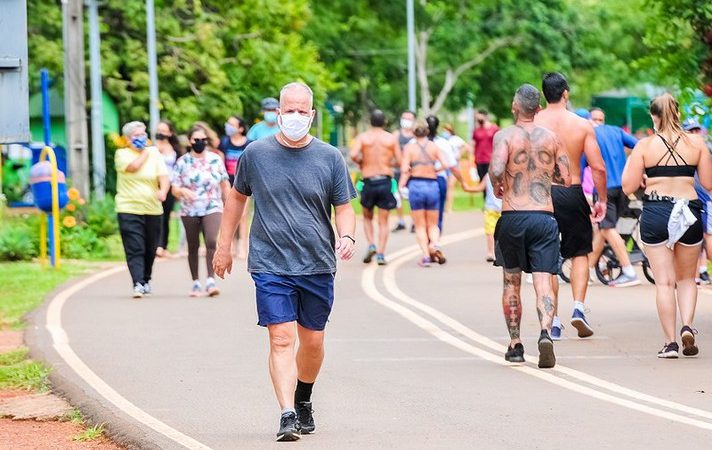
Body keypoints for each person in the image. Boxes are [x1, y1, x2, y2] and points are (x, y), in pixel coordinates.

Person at [212, 82, 356, 441]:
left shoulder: (329, 157)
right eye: (287, 110)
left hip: (317, 263)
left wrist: (348, 236)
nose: (294, 116)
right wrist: (223, 246)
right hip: (270, 262)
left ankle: (303, 396)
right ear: (278, 113)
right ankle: (287, 413)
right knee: (281, 339)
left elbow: (344, 207)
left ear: (311, 115)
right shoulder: (256, 154)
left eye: (300, 111)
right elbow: (235, 200)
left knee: (313, 341)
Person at [622, 93, 712, 358]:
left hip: (656, 210)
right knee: (686, 278)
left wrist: (647, 180)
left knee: (664, 282)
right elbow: (707, 183)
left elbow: (628, 185)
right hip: (689, 211)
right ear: (678, 114)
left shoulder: (645, 146)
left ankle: (670, 343)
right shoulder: (696, 142)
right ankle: (687, 326)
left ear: (654, 116)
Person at [490, 84, 571, 368]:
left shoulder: (505, 136)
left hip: (513, 215)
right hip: (543, 216)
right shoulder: (552, 138)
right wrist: (544, 180)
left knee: (511, 280)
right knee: (543, 279)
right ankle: (546, 332)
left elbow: (498, 169)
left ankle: (515, 345)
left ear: (515, 106)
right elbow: (567, 177)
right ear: (537, 109)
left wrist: (498, 185)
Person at [535, 72, 607, 341]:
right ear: (565, 93)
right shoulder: (581, 125)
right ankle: (578, 307)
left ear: (544, 94)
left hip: (541, 194)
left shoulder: (533, 124)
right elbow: (598, 167)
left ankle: (552, 321)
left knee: (547, 259)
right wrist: (602, 199)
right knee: (579, 253)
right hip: (572, 191)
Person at [399, 120, 472, 266]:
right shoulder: (434, 146)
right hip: (432, 185)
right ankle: (435, 243)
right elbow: (445, 165)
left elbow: (404, 169)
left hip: (416, 185)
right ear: (427, 131)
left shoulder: (409, 148)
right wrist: (434, 171)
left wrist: (402, 185)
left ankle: (426, 256)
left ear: (414, 132)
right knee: (433, 224)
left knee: (420, 225)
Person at [172, 125, 230, 297]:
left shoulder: (215, 159)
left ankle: (211, 280)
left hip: (212, 205)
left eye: (203, 140)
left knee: (211, 240)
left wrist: (229, 205)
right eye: (196, 139)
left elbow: (224, 183)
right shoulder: (182, 162)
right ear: (190, 141)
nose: (200, 142)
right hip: (189, 208)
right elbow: (174, 187)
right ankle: (196, 281)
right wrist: (182, 191)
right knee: (193, 245)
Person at [114, 121, 170, 298]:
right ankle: (137, 282)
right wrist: (146, 151)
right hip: (128, 207)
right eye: (137, 135)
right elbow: (133, 167)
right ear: (128, 139)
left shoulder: (155, 154)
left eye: (143, 134)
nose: (141, 138)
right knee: (134, 247)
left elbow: (164, 176)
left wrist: (163, 191)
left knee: (150, 248)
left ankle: (145, 279)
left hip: (152, 209)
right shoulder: (122, 154)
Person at [587, 107, 641, 287]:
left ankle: (628, 271)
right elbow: (638, 145)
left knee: (608, 228)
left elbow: (579, 168)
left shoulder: (589, 136)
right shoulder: (617, 131)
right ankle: (586, 270)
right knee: (604, 230)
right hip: (623, 188)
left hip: (604, 188)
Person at [350, 109, 400, 265]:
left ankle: (371, 243)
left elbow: (353, 154)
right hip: (385, 180)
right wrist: (388, 163)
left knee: (367, 217)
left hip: (369, 180)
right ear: (384, 122)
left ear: (370, 122)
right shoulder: (390, 138)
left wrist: (362, 163)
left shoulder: (364, 137)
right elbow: (399, 160)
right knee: (384, 221)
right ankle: (381, 253)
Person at [682, 117, 712, 285]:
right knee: (699, 236)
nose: (694, 133)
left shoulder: (705, 148)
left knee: (706, 235)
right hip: (691, 197)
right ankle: (698, 273)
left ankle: (700, 272)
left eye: (696, 130)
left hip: (703, 196)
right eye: (690, 130)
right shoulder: (699, 148)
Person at [219, 115, 252, 259]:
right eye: (228, 123)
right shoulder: (224, 143)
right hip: (228, 183)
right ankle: (229, 247)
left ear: (241, 128)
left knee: (243, 216)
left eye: (232, 124)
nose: (229, 126)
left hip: (245, 183)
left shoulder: (249, 144)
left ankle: (243, 247)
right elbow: (220, 164)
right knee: (228, 214)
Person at [426, 115, 466, 231]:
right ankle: (435, 241)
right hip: (439, 180)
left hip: (421, 180)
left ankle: (427, 241)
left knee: (423, 216)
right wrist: (462, 182)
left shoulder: (416, 142)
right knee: (438, 213)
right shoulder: (443, 143)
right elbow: (452, 166)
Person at [154, 120, 182, 258]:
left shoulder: (175, 149)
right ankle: (153, 245)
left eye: (164, 131)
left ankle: (162, 245)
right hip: (155, 186)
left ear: (170, 133)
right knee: (154, 216)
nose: (161, 133)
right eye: (159, 130)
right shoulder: (152, 148)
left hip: (170, 186)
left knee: (165, 217)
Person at [392, 110, 416, 232]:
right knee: (397, 196)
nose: (406, 120)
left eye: (409, 118)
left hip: (412, 172)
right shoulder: (396, 135)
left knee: (412, 197)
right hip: (397, 171)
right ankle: (401, 221)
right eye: (404, 117)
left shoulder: (415, 136)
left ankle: (414, 222)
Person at [470, 173, 502, 262]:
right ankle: (495, 253)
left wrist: (467, 188)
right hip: (502, 208)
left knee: (490, 232)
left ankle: (490, 253)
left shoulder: (488, 175)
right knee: (495, 232)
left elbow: (480, 188)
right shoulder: (508, 173)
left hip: (491, 208)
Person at [442, 123, 473, 213]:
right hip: (444, 165)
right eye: (444, 130)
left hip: (454, 165)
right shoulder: (442, 140)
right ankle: (443, 205)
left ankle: (449, 207)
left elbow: (467, 147)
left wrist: (459, 154)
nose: (445, 132)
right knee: (444, 186)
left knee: (450, 185)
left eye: (446, 130)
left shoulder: (455, 139)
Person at [472, 109, 499, 179]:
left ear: (485, 117)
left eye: (479, 118)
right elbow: (474, 144)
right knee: (482, 183)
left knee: (492, 182)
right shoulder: (476, 130)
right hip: (479, 160)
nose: (478, 119)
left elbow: (499, 143)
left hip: (491, 160)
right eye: (477, 118)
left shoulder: (494, 129)